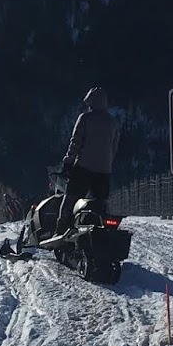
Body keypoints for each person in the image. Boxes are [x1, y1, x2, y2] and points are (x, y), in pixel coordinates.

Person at [55, 87, 118, 237]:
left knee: (70, 199)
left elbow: (75, 143)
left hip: (83, 168)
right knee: (100, 205)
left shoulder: (85, 118)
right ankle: (103, 234)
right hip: (104, 172)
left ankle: (61, 228)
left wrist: (68, 162)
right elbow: (114, 148)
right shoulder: (113, 122)